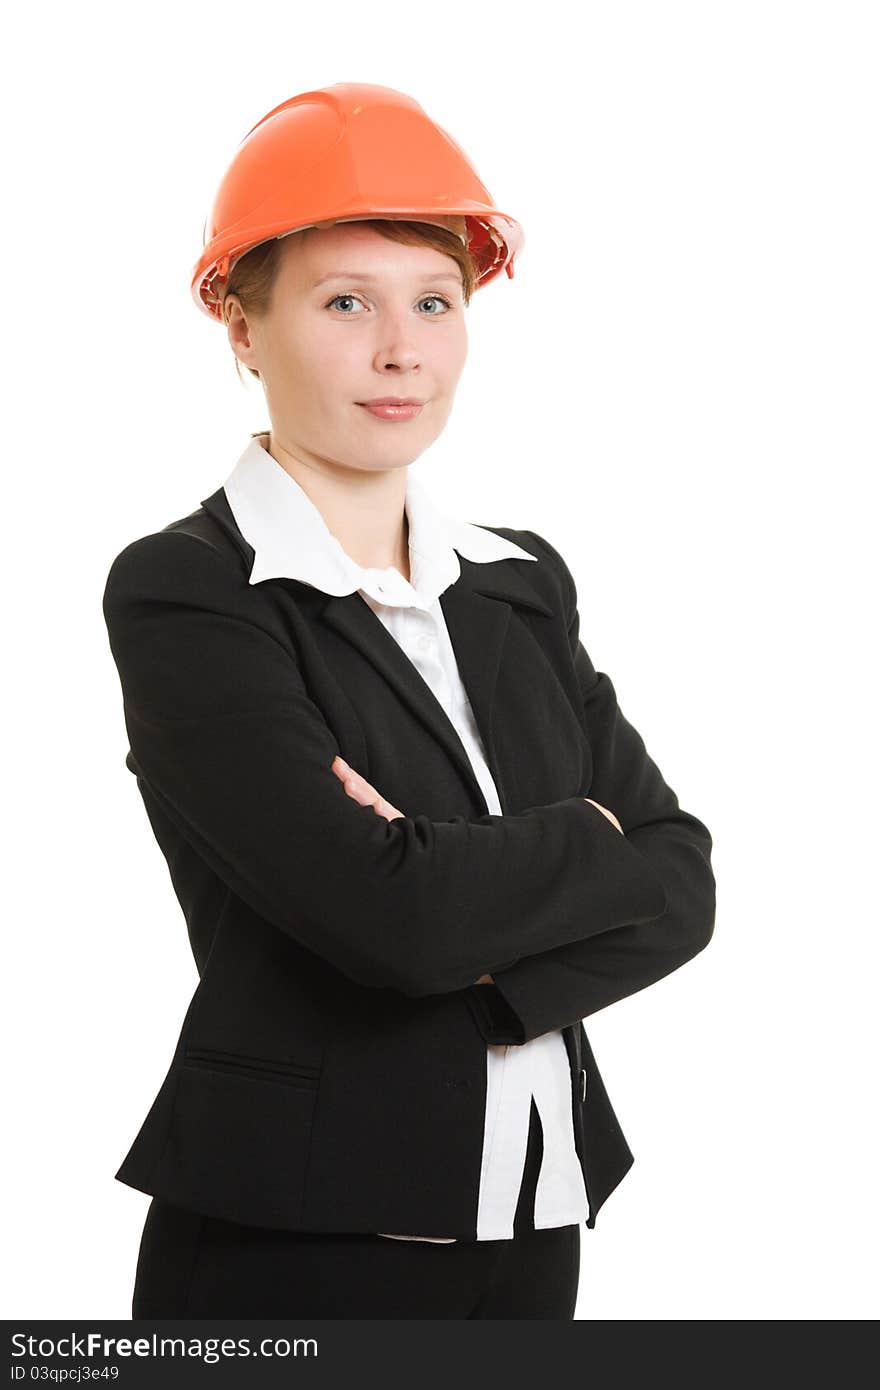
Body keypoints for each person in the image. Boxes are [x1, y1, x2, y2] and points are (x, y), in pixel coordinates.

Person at [103, 82, 716, 1319]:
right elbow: (388, 923)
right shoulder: (189, 591)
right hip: (295, 1239)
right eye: (345, 305)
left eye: (434, 303)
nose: (403, 352)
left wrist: (459, 889)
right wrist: (579, 844)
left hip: (534, 1213)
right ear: (240, 319)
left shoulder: (518, 580)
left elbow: (680, 881)